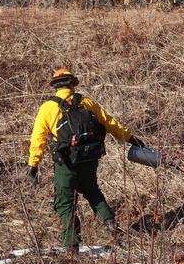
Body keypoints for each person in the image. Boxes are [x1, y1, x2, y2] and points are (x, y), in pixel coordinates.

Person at [26, 68, 144, 252]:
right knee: (91, 190)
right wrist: (130, 138)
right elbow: (110, 122)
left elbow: (38, 139)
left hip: (66, 162)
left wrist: (33, 165)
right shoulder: (86, 102)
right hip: (90, 157)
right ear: (72, 84)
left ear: (55, 86)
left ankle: (71, 245)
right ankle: (111, 225)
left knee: (64, 202)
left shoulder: (47, 108)